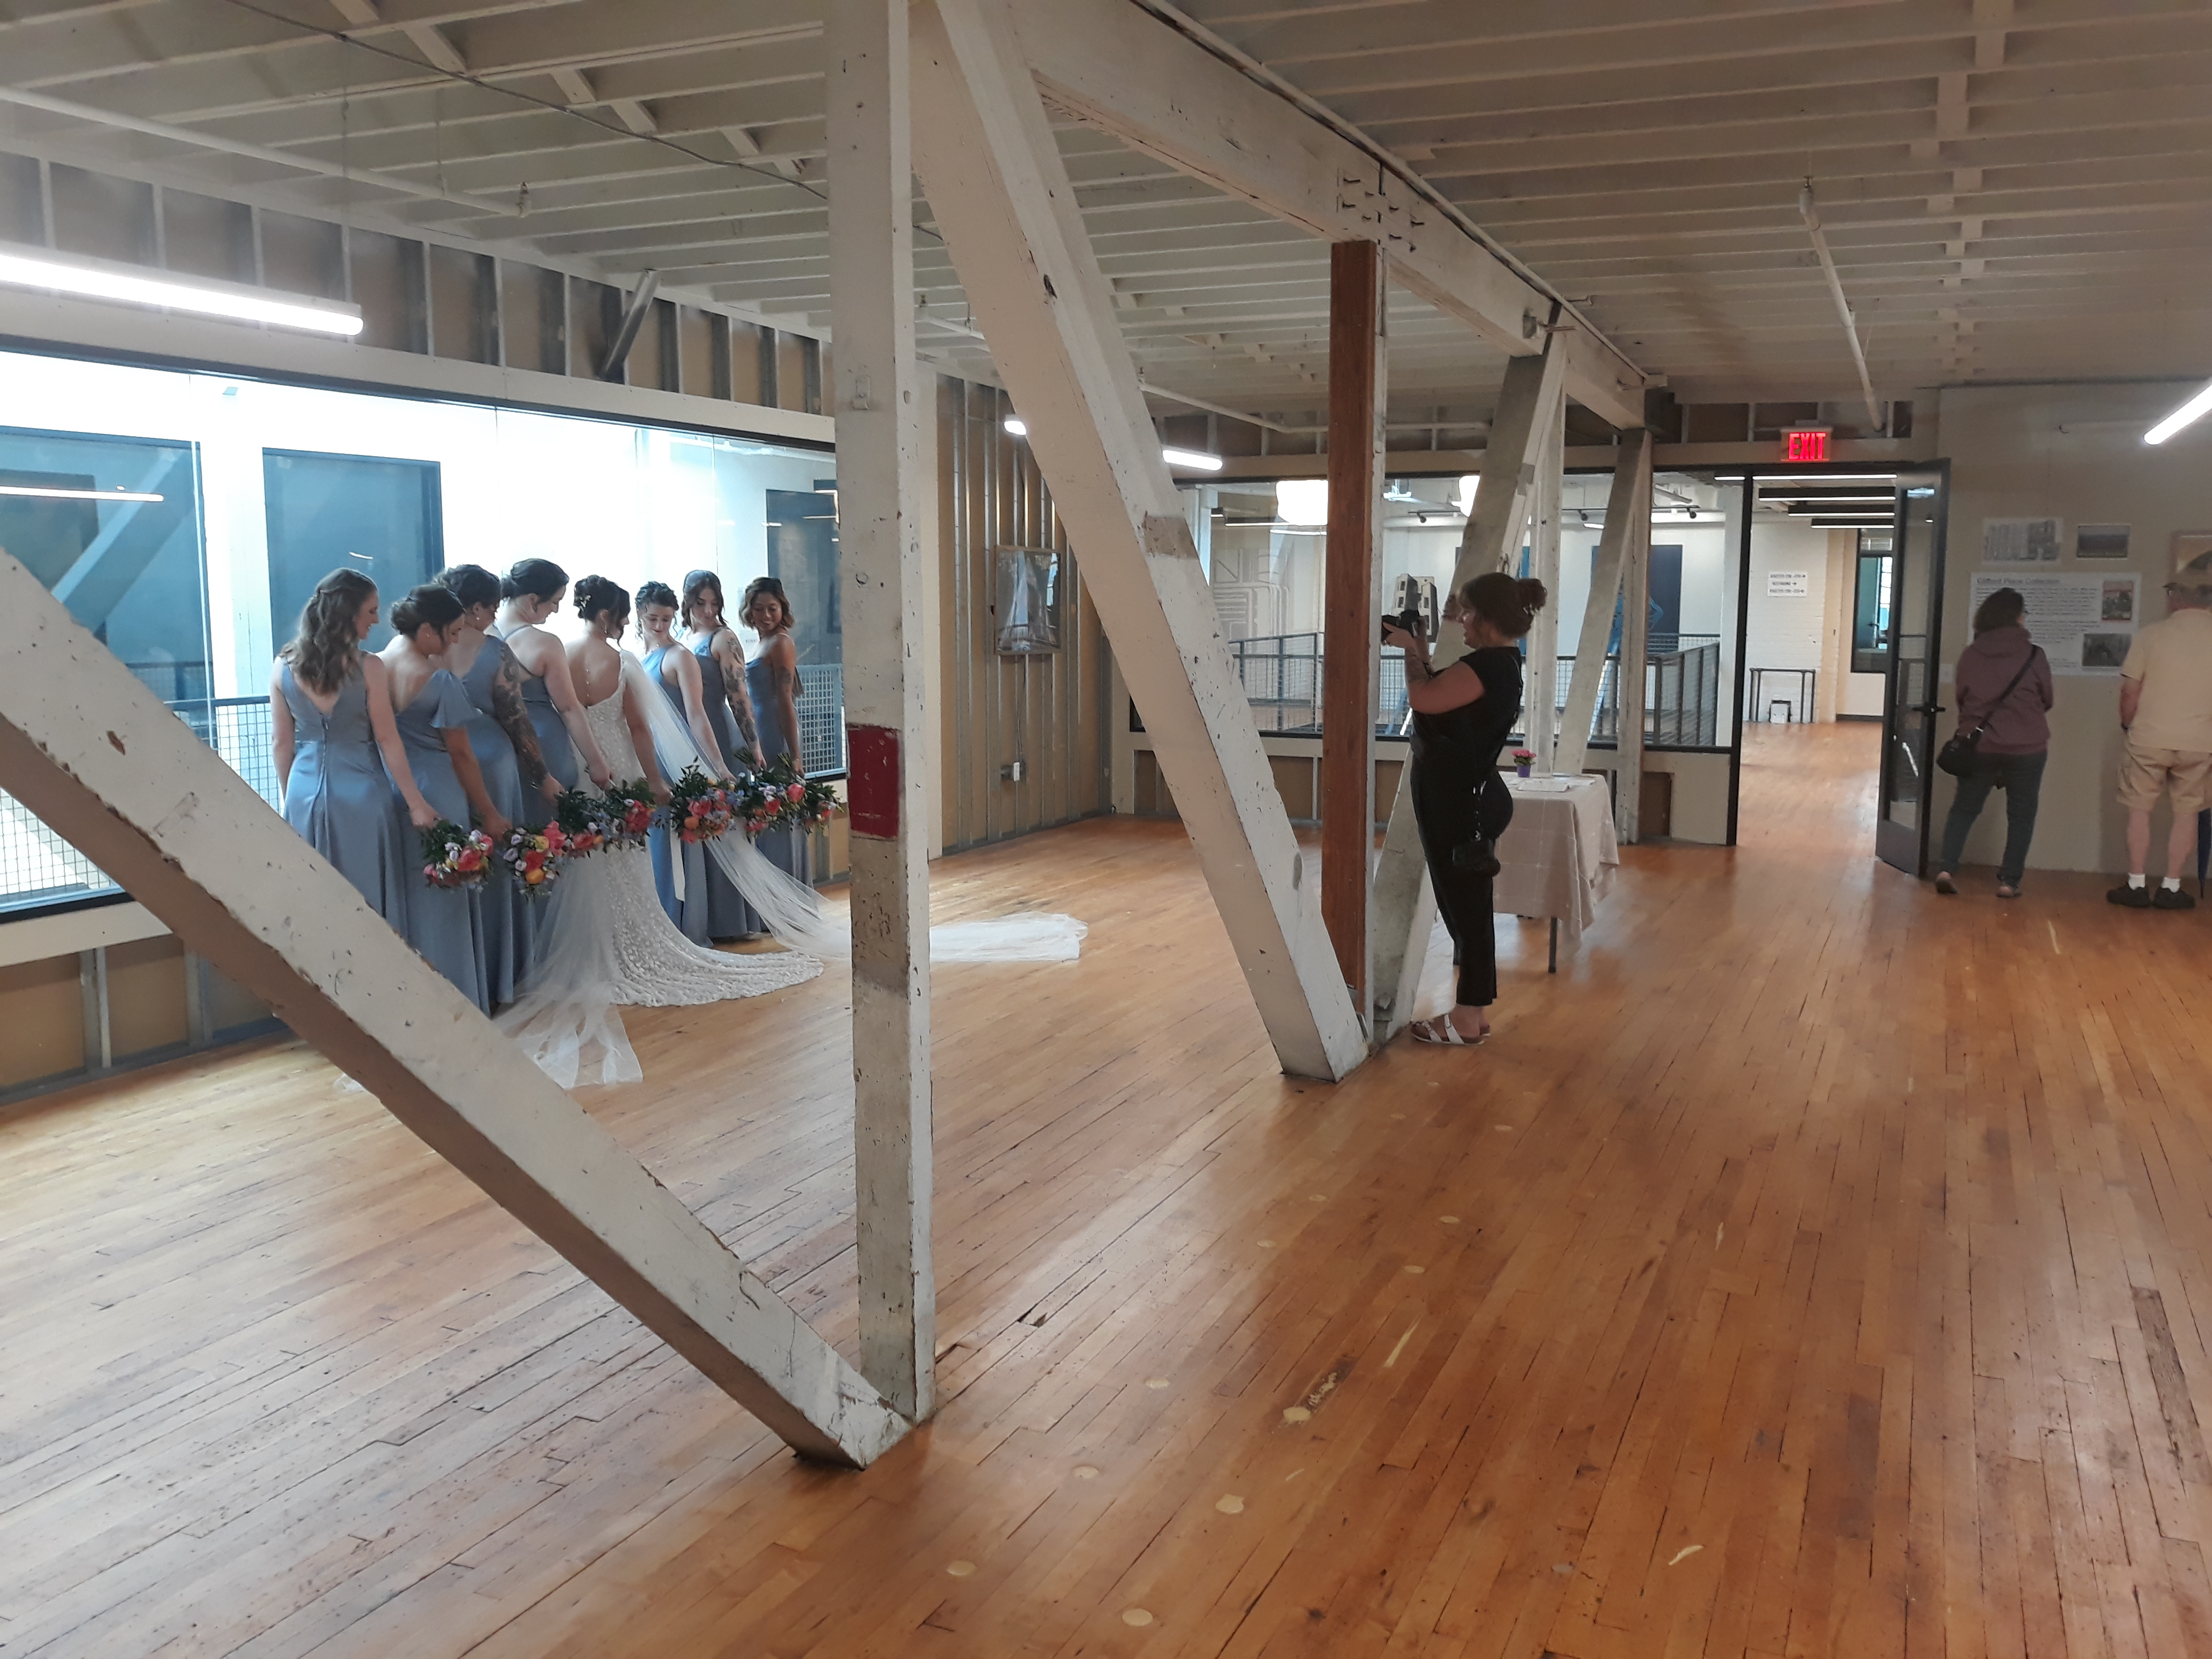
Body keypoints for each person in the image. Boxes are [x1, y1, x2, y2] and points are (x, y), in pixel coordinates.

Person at [495, 576, 821, 1088]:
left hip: (574, 761)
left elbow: (563, 711)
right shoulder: (622, 662)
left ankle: (591, 945)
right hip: (618, 763)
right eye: (634, 617)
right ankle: (632, 940)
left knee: (586, 857)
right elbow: (639, 729)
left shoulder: (556, 650)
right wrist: (653, 780)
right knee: (625, 856)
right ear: (613, 616)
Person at [1384, 572, 1548, 1047]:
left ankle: (1468, 1016)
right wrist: (1420, 649)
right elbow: (1441, 693)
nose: (1461, 622)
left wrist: (1409, 653)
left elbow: (1423, 698)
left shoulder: (1488, 666)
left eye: (1468, 613)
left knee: (1468, 912)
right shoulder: (1495, 664)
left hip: (1462, 806)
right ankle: (1472, 1010)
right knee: (1464, 908)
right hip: (1465, 798)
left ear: (1488, 618)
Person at [268, 570, 435, 929]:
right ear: (349, 613)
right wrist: (416, 802)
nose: (376, 620)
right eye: (371, 611)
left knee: (313, 899)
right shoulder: (369, 666)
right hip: (362, 794)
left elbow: (281, 743)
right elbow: (387, 738)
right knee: (368, 900)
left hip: (303, 793)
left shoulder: (282, 666)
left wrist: (291, 799)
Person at [380, 584, 509, 1011]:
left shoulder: (376, 666)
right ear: (428, 630)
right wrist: (489, 811)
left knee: (406, 890)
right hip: (437, 788)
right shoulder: (439, 680)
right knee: (445, 893)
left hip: (392, 787)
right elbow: (462, 754)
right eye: (452, 632)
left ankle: (408, 1001)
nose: (455, 642)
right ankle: (454, 1000)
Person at [442, 564, 562, 1003]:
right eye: (492, 607)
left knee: (454, 859)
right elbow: (517, 720)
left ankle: (460, 972)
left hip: (440, 763)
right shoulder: (494, 651)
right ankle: (501, 975)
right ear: (476, 608)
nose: (495, 616)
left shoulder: (424, 648)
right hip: (492, 762)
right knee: (497, 860)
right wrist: (542, 775)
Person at [1933, 586, 2052, 899]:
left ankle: (1947, 868)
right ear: (2017, 617)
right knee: (2022, 815)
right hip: (2027, 747)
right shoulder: (2034, 655)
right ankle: (2009, 882)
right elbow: (2047, 698)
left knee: (1964, 809)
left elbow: (1962, 698)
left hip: (1979, 746)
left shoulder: (1971, 655)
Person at [636, 579, 738, 943]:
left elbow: (697, 714)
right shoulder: (639, 656)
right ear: (640, 615)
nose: (660, 626)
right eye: (653, 619)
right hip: (649, 757)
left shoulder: (680, 656)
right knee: (656, 839)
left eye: (666, 619)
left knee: (679, 838)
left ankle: (685, 926)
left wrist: (719, 767)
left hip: (677, 760)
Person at [2110, 555, 2212, 910]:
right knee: (2188, 812)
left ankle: (2136, 884)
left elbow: (2129, 692)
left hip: (2149, 737)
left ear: (2176, 597)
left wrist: (2128, 724)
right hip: (2200, 740)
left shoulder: (2151, 635)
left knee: (2139, 810)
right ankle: (2171, 887)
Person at [492, 557, 615, 801]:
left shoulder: (482, 635)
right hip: (543, 744)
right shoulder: (545, 643)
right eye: (555, 602)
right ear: (532, 600)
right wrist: (597, 762)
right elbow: (569, 708)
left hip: (499, 744)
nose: (556, 610)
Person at [739, 577, 808, 922]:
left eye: (772, 608)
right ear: (749, 611)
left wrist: (794, 755)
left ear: (783, 610)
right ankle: (771, 904)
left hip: (775, 733)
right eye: (759, 609)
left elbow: (785, 701)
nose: (766, 615)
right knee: (765, 816)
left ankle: (787, 907)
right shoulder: (759, 643)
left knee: (777, 816)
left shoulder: (781, 643)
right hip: (759, 731)